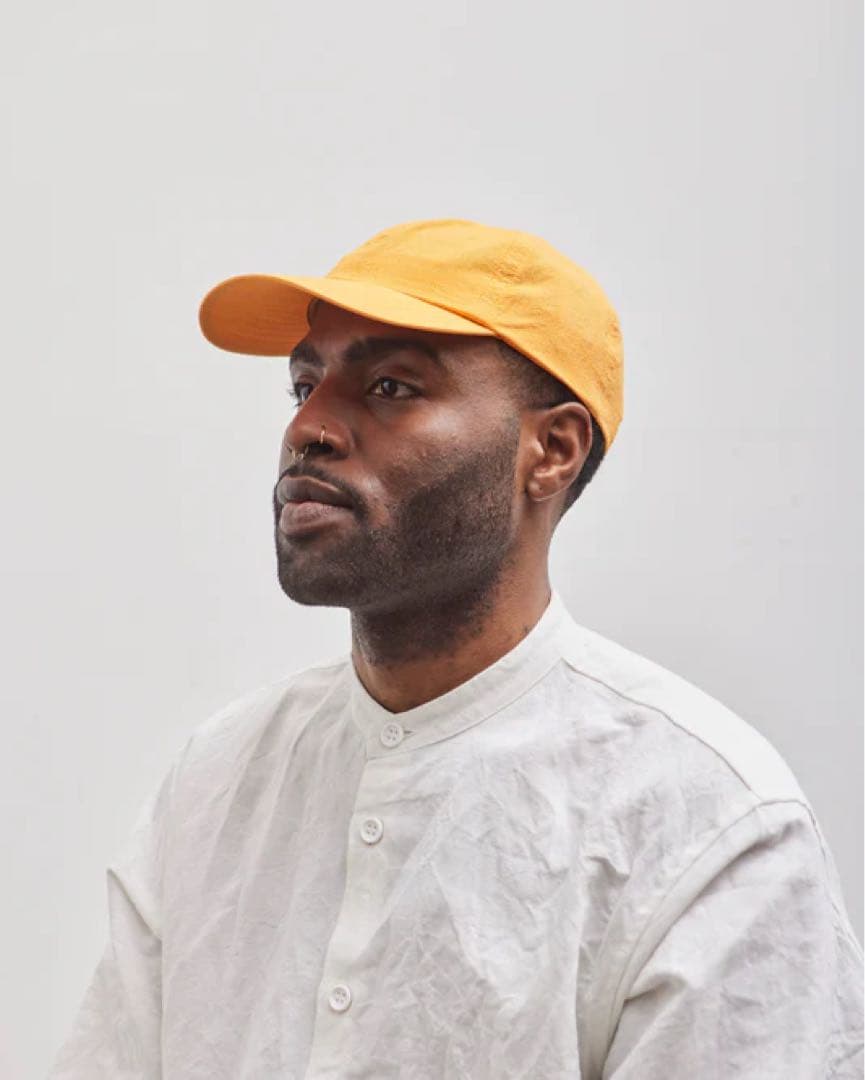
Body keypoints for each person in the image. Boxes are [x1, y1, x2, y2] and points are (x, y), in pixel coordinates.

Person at [51, 219, 863, 1079]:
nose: (309, 429)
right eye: (303, 387)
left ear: (551, 451)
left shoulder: (702, 821)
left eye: (390, 386)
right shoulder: (220, 779)